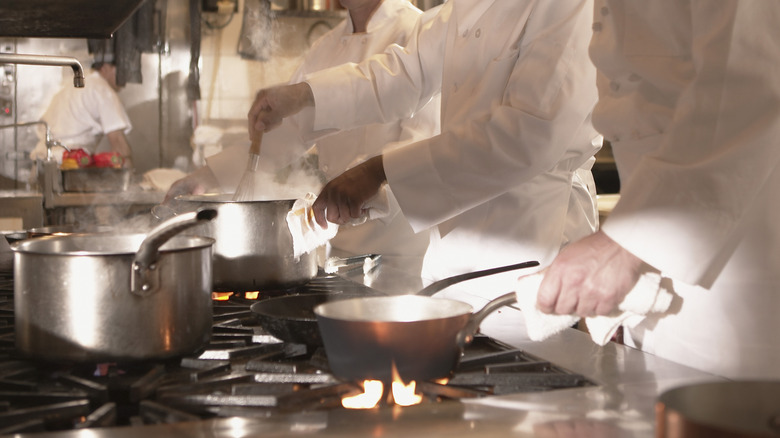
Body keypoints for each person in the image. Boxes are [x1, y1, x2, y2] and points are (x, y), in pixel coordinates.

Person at [248, 0, 600, 307]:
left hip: (532, 250)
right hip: (452, 258)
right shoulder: (464, 8)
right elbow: (402, 73)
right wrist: (302, 96)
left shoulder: (568, 6)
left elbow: (525, 138)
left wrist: (379, 172)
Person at [536, 1, 780, 380]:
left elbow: (748, 87)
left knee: (724, 402)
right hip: (650, 256)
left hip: (737, 256)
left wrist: (622, 246)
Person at [166, 0, 440, 267]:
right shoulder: (327, 46)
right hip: (337, 249)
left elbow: (420, 151)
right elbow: (285, 134)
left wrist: (362, 191)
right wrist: (206, 177)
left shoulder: (417, 32)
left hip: (400, 256)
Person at [32, 58, 133, 168]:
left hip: (42, 161)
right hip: (69, 164)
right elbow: (119, 145)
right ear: (105, 68)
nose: (126, 78)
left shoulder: (75, 82)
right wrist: (130, 175)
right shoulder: (102, 89)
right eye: (122, 71)